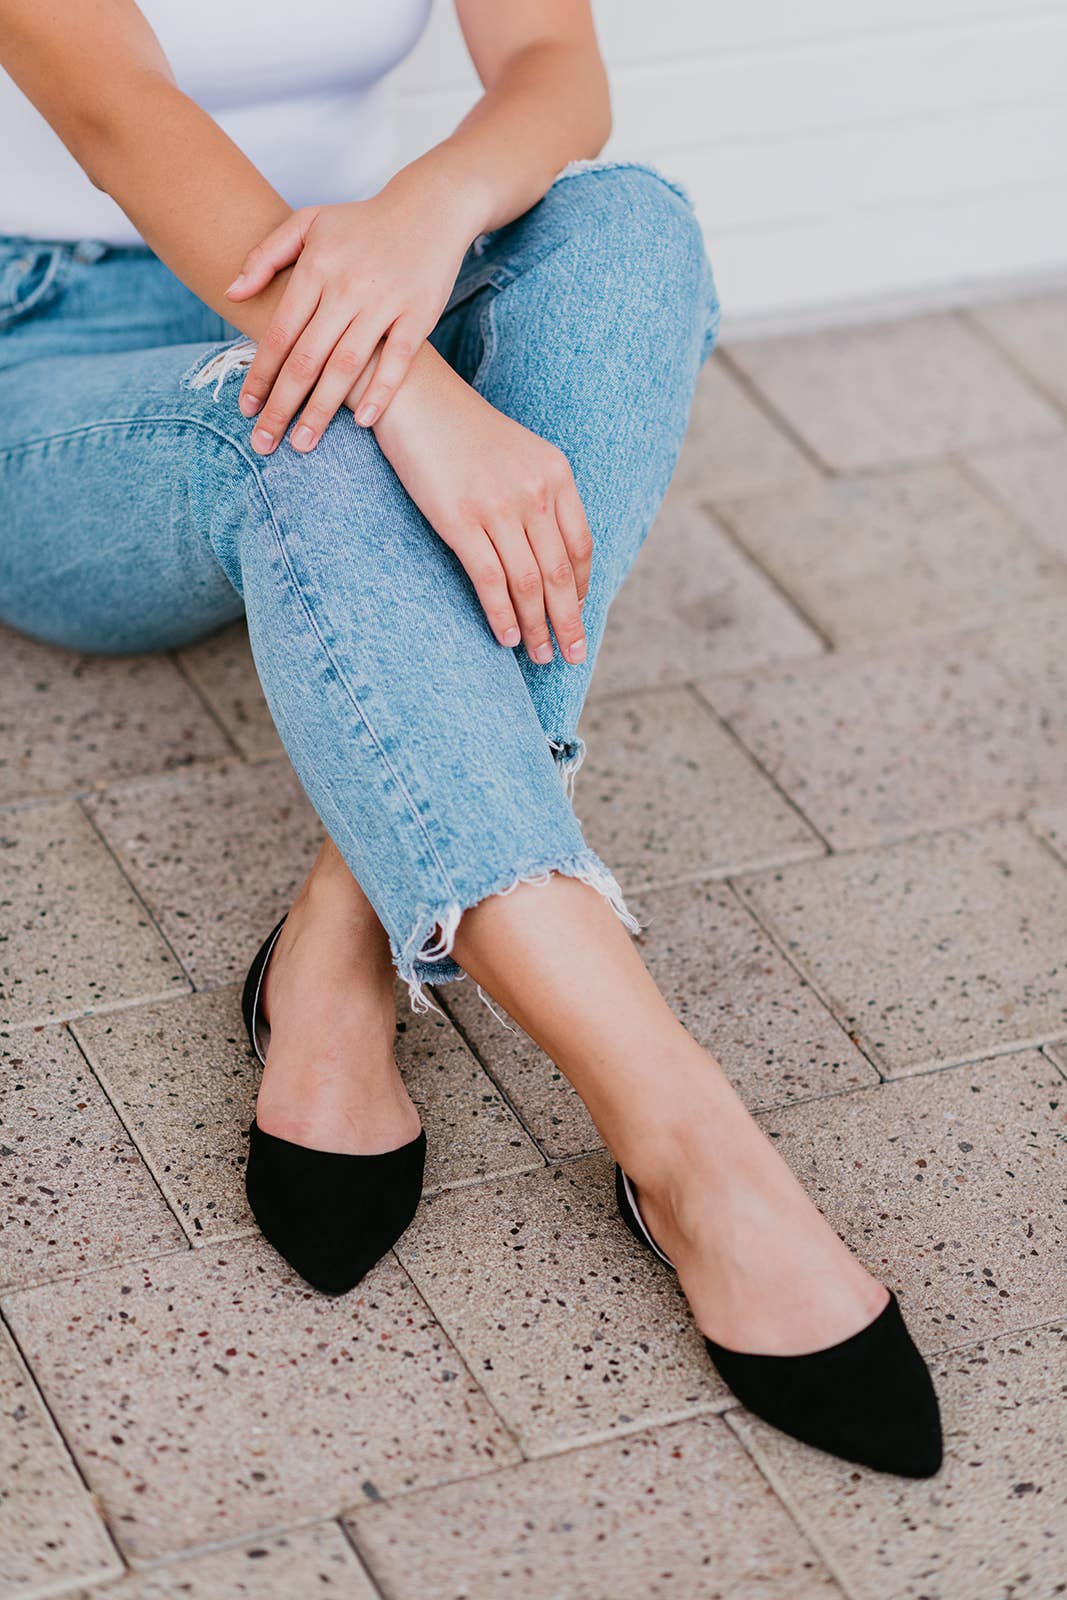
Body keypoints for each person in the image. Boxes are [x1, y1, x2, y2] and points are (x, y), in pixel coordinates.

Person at [0, 0, 942, 1478]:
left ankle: (342, 936)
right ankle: (685, 1139)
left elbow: (558, 72)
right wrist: (411, 389)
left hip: (353, 272)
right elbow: (118, 113)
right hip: (51, 349)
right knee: (307, 434)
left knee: (630, 233)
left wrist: (427, 212)